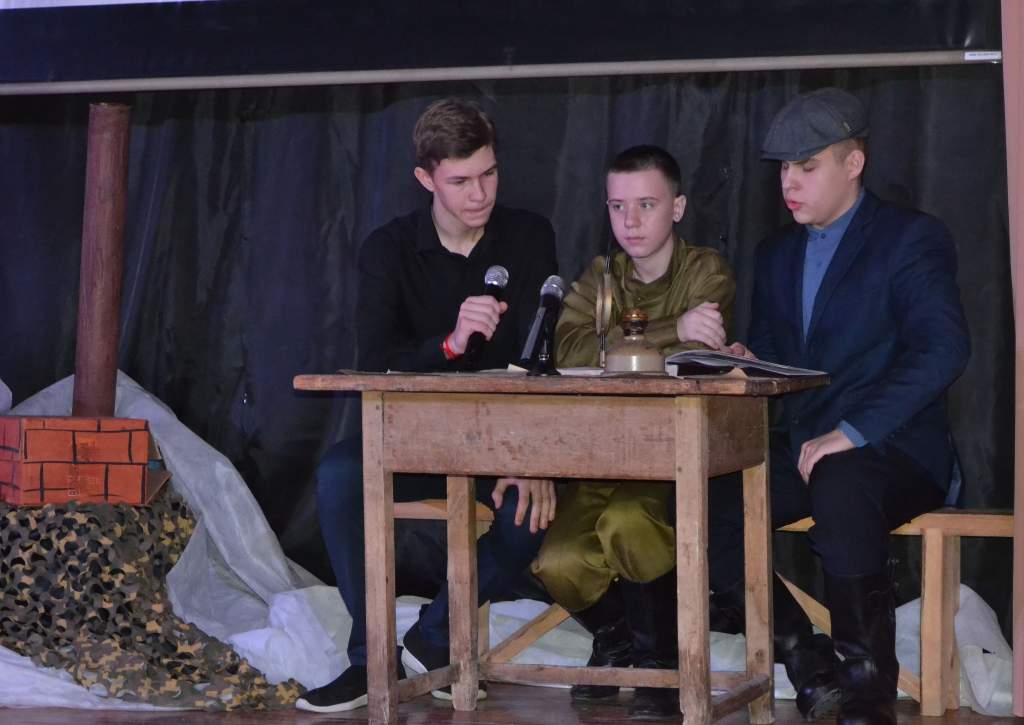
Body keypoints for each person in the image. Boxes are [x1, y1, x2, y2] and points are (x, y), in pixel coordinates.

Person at [296, 98, 559, 714]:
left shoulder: (528, 236)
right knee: (339, 476)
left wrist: (534, 452)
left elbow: (543, 353)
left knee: (529, 509)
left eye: (489, 174)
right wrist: (448, 344)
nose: (480, 193)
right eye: (461, 181)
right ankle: (371, 658)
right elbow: (375, 359)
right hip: (415, 436)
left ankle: (432, 636)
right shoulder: (387, 249)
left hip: (503, 436)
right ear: (425, 179)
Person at [716, 88, 970, 724]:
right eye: (784, 168)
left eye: (807, 167)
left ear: (853, 164)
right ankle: (806, 661)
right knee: (704, 496)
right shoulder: (775, 253)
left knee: (841, 480)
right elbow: (781, 359)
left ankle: (868, 693)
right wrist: (741, 358)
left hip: (893, 448)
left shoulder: (910, 238)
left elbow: (944, 350)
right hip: (804, 444)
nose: (789, 183)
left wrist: (853, 431)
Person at [532, 145, 736, 720]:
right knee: (558, 562)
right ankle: (619, 638)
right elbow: (567, 348)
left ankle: (660, 664)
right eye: (618, 206)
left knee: (628, 524)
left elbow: (700, 347)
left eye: (647, 204)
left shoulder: (705, 270)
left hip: (676, 451)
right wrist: (672, 329)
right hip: (603, 450)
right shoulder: (601, 276)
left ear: (677, 207)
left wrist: (621, 347)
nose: (631, 221)